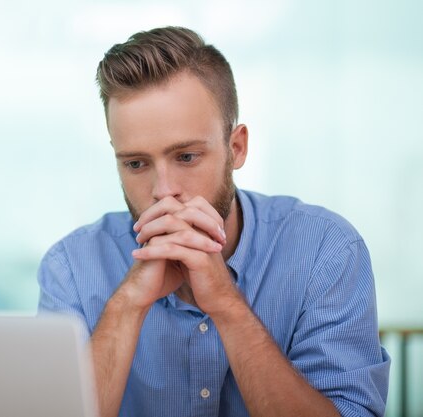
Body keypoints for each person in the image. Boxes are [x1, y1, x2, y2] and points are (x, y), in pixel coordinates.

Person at [37, 26, 390, 417]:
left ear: (236, 148)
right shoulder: (70, 266)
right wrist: (129, 302)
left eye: (186, 157)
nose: (163, 191)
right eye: (136, 164)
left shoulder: (327, 250)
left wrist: (225, 303)